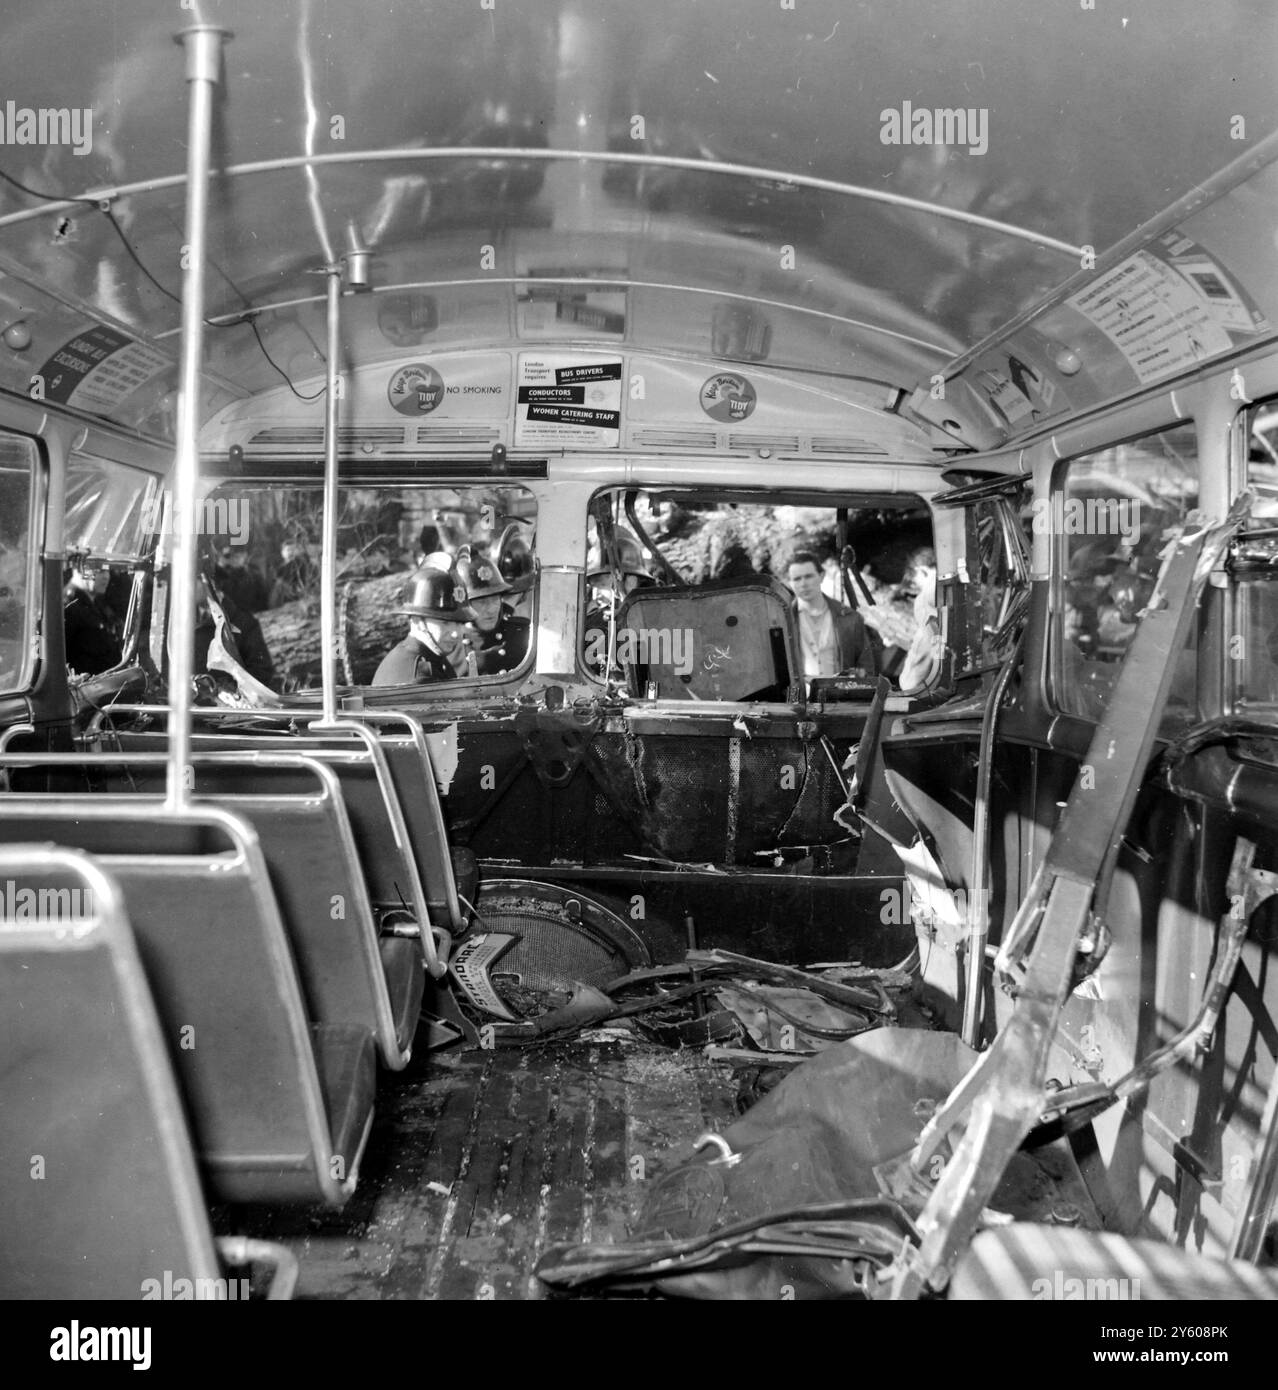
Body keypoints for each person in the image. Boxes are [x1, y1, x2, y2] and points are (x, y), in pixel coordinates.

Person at [372, 566, 476, 686]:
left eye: (459, 623)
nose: (456, 633)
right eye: (445, 622)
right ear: (417, 621)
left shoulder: (429, 657)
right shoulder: (419, 675)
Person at [786, 550, 875, 681]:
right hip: (800, 698)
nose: (803, 584)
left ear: (821, 576)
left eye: (808, 576)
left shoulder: (850, 617)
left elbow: (866, 667)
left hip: (840, 696)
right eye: (797, 579)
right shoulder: (784, 619)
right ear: (790, 583)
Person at [193, 574, 276, 691]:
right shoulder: (177, 625)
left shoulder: (243, 623)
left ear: (206, 581)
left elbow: (262, 672)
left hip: (232, 704)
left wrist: (232, 691)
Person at [456, 553, 530, 675]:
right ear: (464, 605)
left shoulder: (522, 634)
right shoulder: (452, 646)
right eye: (481, 601)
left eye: (495, 599)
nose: (491, 609)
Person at [64, 561, 122, 676]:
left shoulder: (97, 604)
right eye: (100, 570)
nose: (106, 576)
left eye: (107, 571)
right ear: (80, 570)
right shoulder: (68, 606)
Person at [897, 547, 943, 693]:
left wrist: (908, 680)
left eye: (914, 578)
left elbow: (927, 646)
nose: (916, 584)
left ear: (922, 570)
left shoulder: (924, 600)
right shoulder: (958, 587)